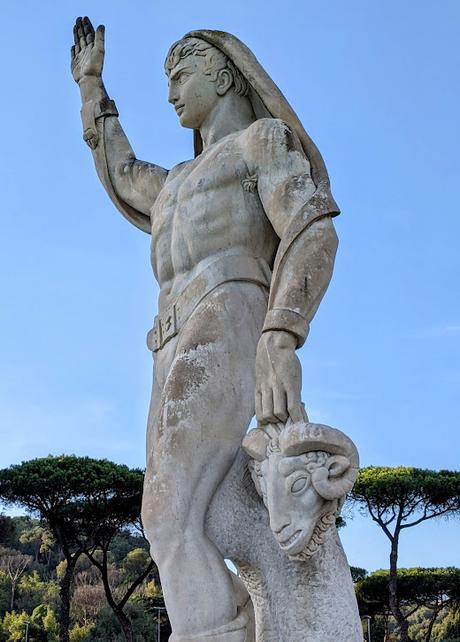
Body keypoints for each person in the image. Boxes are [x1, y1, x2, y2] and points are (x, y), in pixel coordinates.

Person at [71, 17, 339, 641]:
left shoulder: (261, 143)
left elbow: (312, 229)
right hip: (169, 344)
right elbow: (121, 171)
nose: (169, 91)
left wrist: (282, 332)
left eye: (179, 74)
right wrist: (91, 88)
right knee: (196, 516)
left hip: (228, 313)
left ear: (222, 76)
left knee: (165, 515)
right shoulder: (172, 187)